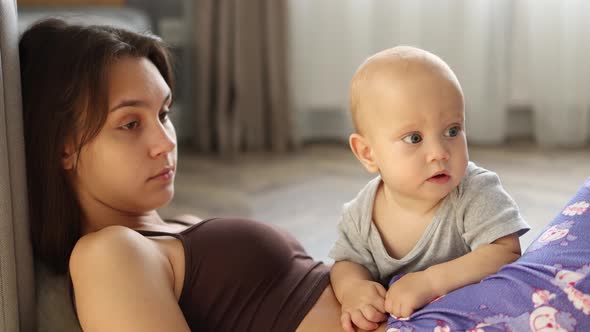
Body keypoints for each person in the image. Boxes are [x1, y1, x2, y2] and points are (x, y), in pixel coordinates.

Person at [20, 19, 590, 332]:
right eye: (129, 124)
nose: (164, 141)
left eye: (164, 113)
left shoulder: (167, 233)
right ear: (66, 145)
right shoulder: (106, 254)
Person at [328, 46, 531, 332]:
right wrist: (353, 290)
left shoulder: (474, 191)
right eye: (414, 138)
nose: (439, 152)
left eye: (452, 131)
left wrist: (431, 281)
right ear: (367, 153)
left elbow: (505, 253)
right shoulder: (362, 214)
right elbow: (347, 261)